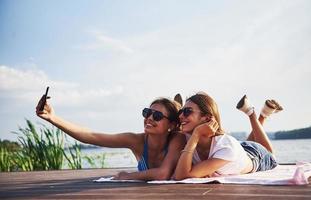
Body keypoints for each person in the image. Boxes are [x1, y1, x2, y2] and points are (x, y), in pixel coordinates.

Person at [36, 93, 185, 181]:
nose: (149, 118)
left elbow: (163, 174)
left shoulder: (177, 139)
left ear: (171, 125)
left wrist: (127, 176)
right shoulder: (136, 141)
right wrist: (52, 118)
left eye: (157, 116)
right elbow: (91, 136)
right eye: (147, 113)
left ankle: (178, 105)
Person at [174, 92, 281, 180]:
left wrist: (196, 134)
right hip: (236, 147)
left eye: (187, 111)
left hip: (257, 156)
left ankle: (253, 114)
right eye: (180, 112)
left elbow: (182, 176)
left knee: (272, 156)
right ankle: (263, 114)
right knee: (236, 150)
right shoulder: (185, 136)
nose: (181, 116)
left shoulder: (226, 148)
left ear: (207, 118)